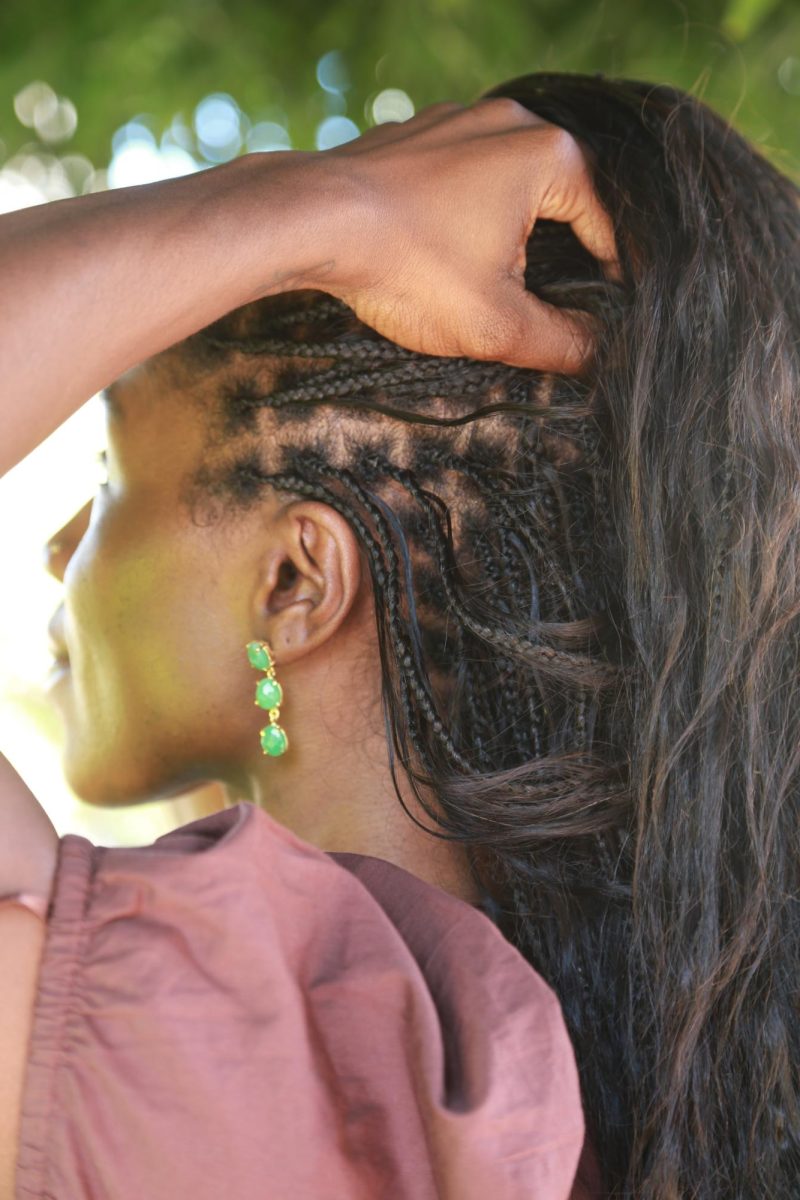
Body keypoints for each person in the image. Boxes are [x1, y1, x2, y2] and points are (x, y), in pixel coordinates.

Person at [1, 70, 797, 1200]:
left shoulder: (265, 1052)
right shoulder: (522, 1081)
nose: (57, 546)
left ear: (294, 583)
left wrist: (314, 210)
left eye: (107, 473)